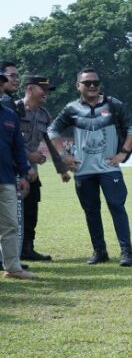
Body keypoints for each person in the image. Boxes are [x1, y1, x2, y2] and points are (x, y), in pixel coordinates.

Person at [49, 68, 132, 267]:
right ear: (78, 86)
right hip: (83, 170)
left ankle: (126, 251)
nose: (92, 86)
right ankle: (100, 251)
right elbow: (52, 129)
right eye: (87, 82)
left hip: (109, 168)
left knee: (117, 207)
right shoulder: (72, 108)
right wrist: (64, 155)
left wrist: (123, 153)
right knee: (91, 211)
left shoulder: (113, 104)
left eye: (95, 82)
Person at [17, 76, 68, 261]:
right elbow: (7, 140)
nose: (46, 93)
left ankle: (27, 249)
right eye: (43, 89)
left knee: (31, 213)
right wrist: (28, 155)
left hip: (32, 172)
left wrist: (61, 169)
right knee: (10, 213)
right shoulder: (13, 109)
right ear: (30, 89)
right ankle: (9, 252)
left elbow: (50, 142)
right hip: (12, 169)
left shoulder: (45, 114)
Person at [0, 73, 35, 280]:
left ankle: (12, 267)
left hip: (6, 179)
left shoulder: (10, 115)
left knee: (10, 225)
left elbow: (18, 149)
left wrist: (24, 173)